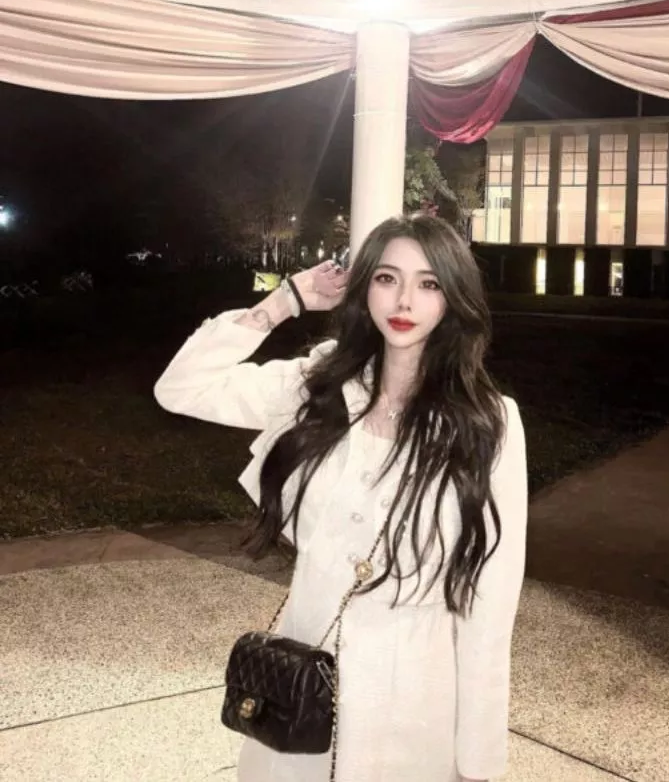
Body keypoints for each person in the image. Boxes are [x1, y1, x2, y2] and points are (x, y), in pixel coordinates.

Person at [153, 215, 528, 782]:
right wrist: (286, 300)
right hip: (303, 673)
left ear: (454, 297)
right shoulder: (321, 386)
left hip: (414, 693)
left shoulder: (488, 424)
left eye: (428, 283)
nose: (404, 300)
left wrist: (477, 760)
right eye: (386, 278)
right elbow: (180, 388)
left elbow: (490, 595)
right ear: (364, 288)